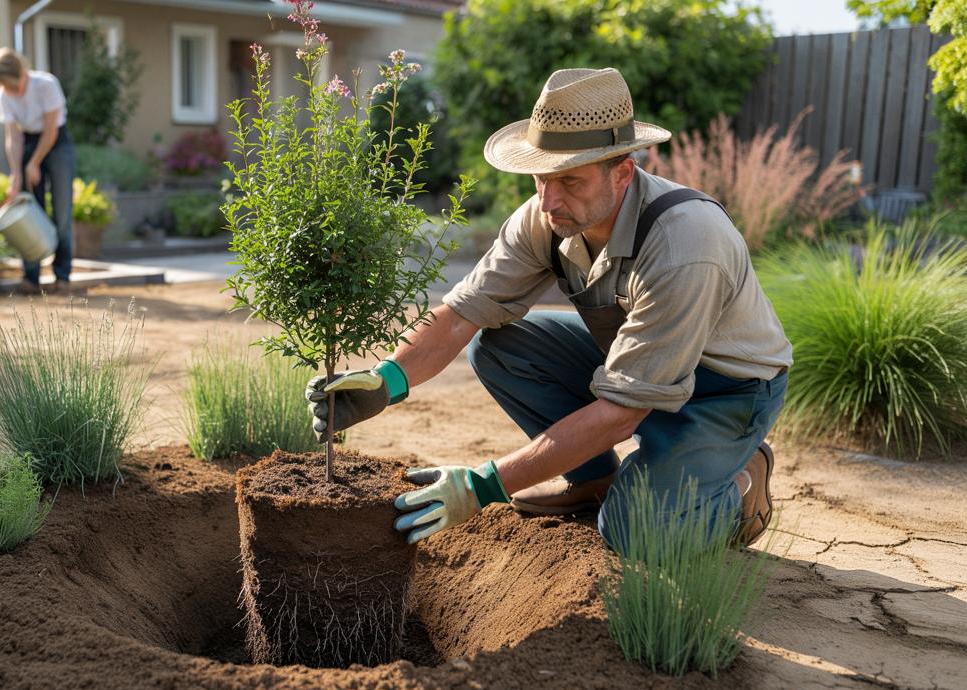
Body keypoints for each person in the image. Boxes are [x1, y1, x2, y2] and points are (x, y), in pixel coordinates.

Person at [307, 68, 792, 553]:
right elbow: (461, 315)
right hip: (636, 370)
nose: (549, 199)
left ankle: (738, 492)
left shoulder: (685, 242)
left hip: (727, 391)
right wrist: (388, 381)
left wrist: (483, 487)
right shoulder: (548, 216)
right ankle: (594, 479)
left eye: (570, 180)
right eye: (541, 177)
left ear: (622, 171)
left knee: (634, 532)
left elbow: (621, 413)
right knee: (502, 347)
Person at [0, 47, 75, 294]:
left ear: (20, 72)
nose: (9, 90)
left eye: (11, 83)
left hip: (57, 144)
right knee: (28, 209)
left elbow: (51, 130)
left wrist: (34, 163)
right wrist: (16, 173)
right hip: (27, 142)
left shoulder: (46, 84)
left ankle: (62, 275)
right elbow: (13, 136)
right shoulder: (3, 95)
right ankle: (31, 277)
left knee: (62, 210)